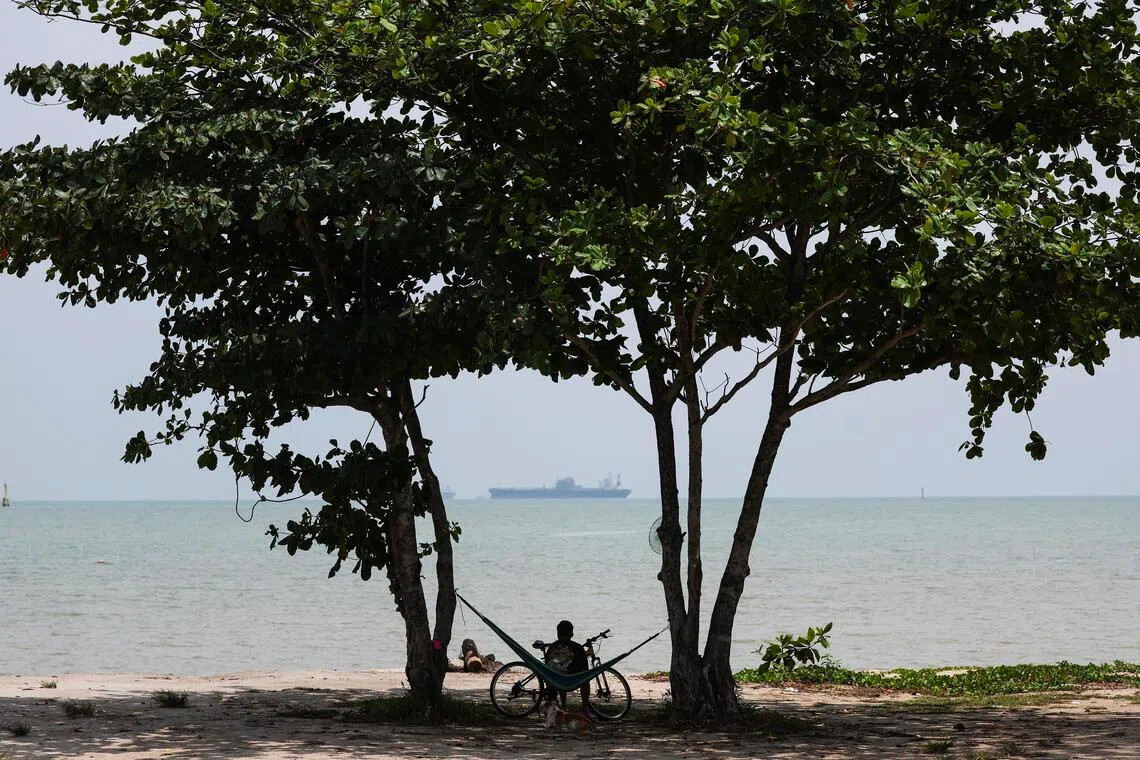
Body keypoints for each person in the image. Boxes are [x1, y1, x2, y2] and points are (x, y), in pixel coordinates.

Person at [543, 619, 590, 715]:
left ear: (557, 633)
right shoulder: (578, 648)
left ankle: (564, 706)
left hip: (555, 681)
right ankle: (585, 707)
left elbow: (547, 665)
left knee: (559, 676)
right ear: (572, 634)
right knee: (585, 680)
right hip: (574, 680)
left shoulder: (552, 647)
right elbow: (585, 670)